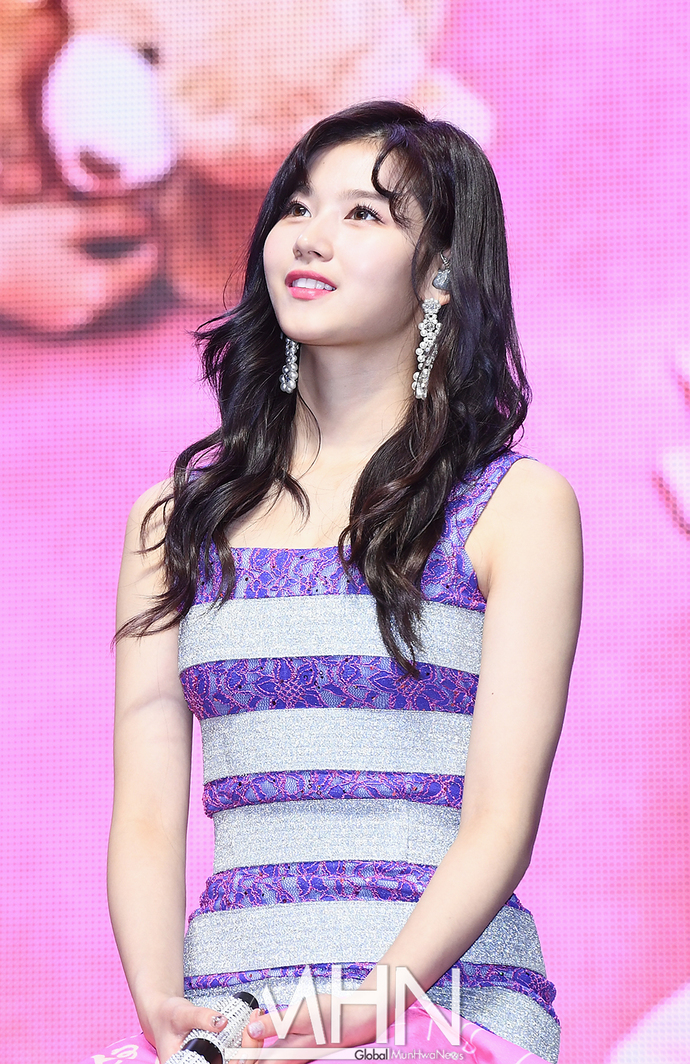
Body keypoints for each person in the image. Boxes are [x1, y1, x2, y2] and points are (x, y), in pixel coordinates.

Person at [87, 101, 582, 1064]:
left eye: (364, 213)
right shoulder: (173, 520)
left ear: (440, 273)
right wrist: (161, 1003)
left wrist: (368, 1007)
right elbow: (145, 811)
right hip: (237, 1016)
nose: (310, 236)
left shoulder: (515, 507)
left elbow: (500, 820)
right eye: (298, 206)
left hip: (445, 1008)